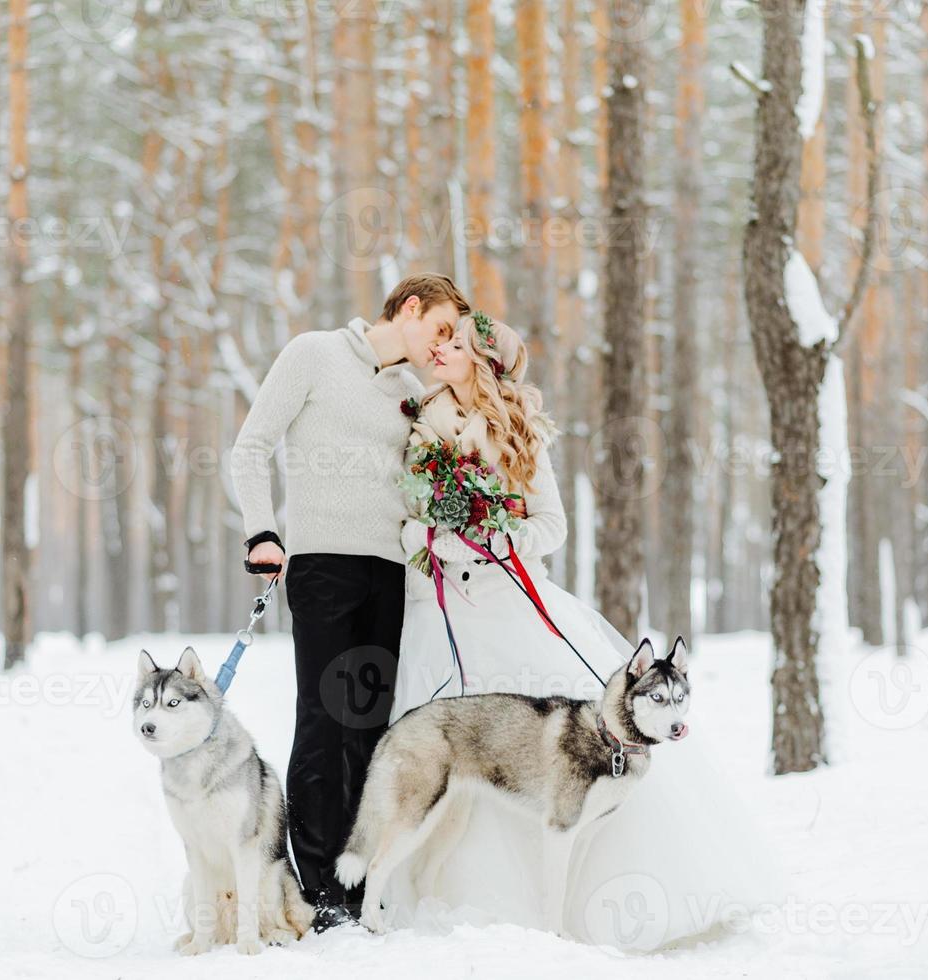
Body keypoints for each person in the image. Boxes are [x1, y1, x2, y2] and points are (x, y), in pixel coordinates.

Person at [385, 312, 778, 949]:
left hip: (517, 604)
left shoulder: (521, 435)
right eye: (440, 341)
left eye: (455, 344)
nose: (440, 351)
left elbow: (552, 526)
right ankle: (433, 902)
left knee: (566, 753)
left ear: (483, 362)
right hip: (442, 613)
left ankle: (569, 913)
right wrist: (440, 538)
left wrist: (497, 536)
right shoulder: (419, 430)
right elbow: (403, 525)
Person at [229, 273, 472, 931]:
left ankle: (356, 880)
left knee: (369, 729)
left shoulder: (413, 395)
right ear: (409, 308)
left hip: (387, 574)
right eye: (440, 329)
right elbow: (250, 449)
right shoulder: (314, 354)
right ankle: (314, 891)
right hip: (321, 565)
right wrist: (262, 531)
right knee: (323, 724)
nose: (442, 345)